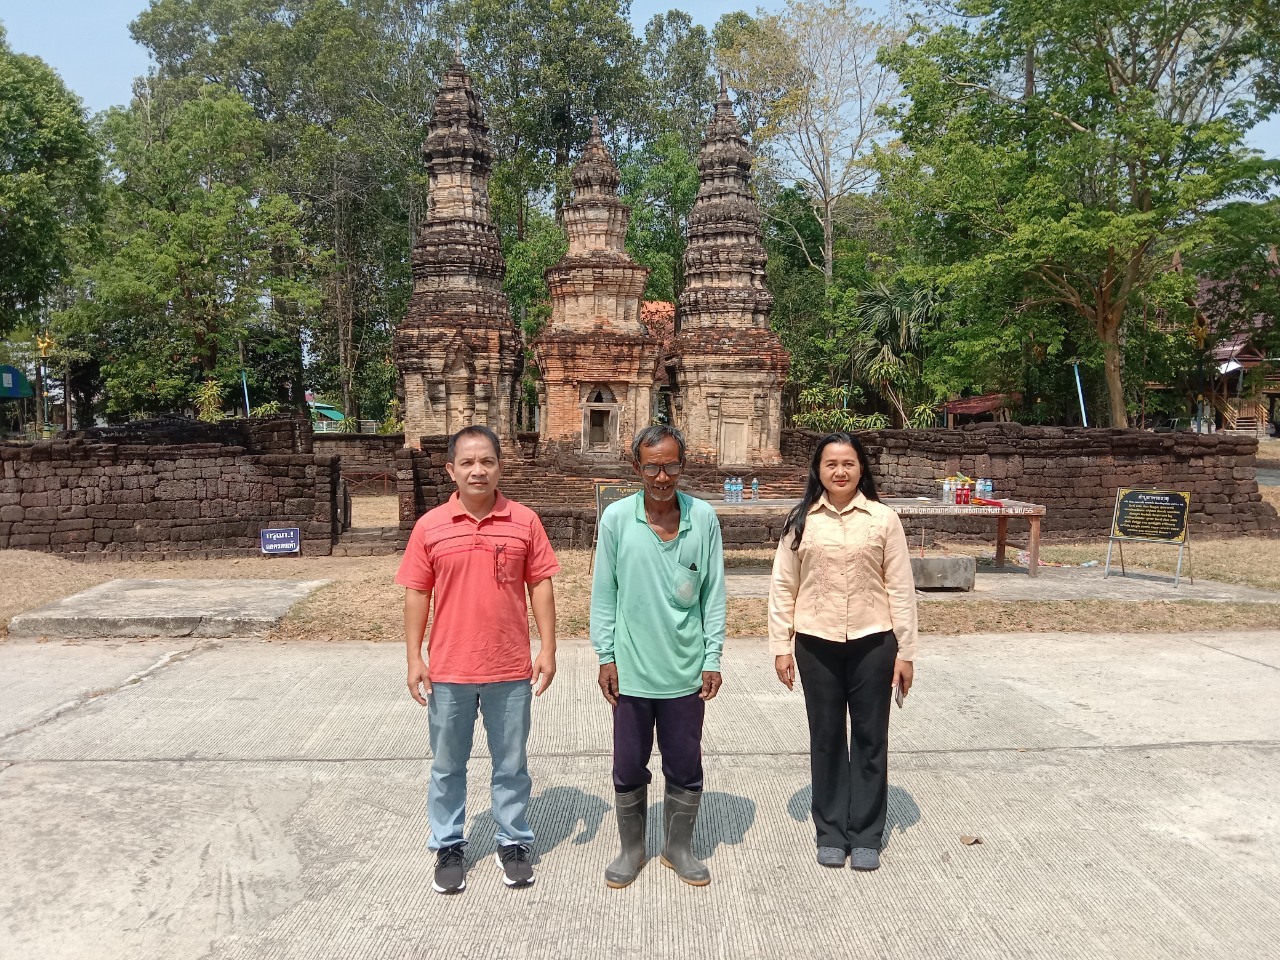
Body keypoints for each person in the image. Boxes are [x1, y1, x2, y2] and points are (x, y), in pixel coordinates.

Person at [398, 425, 560, 894]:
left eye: (487, 461)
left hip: (509, 667)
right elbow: (417, 593)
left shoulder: (524, 521)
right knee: (448, 765)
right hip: (450, 669)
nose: (478, 470)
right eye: (467, 462)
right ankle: (449, 844)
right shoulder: (430, 526)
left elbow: (540, 585)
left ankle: (513, 841)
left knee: (511, 764)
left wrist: (548, 648)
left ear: (500, 467)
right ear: (451, 470)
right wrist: (414, 657)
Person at [767, 432, 917, 872]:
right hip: (816, 643)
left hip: (875, 641)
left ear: (861, 468)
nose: (839, 471)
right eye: (831, 463)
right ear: (818, 470)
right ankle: (831, 831)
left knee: (870, 738)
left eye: (848, 463)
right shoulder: (800, 521)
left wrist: (906, 652)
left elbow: (901, 588)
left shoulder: (884, 519)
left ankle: (866, 833)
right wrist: (781, 646)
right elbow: (783, 586)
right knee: (827, 737)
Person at [590, 424, 726, 888]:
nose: (662, 477)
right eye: (652, 467)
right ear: (637, 468)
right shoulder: (617, 519)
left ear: (682, 466)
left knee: (684, 762)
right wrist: (605, 655)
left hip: (685, 669)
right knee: (628, 763)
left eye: (670, 466)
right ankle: (632, 849)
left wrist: (712, 657)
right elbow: (604, 593)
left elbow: (713, 594)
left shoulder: (703, 518)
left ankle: (677, 848)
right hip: (631, 671)